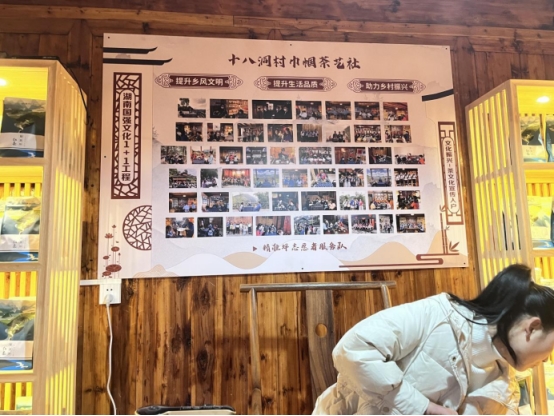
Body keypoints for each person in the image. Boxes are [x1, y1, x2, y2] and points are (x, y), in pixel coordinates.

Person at [313, 264, 554, 415]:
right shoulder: (437, 315)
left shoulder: (502, 382)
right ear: (532, 328)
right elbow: (353, 351)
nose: (546, 359)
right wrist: (425, 408)